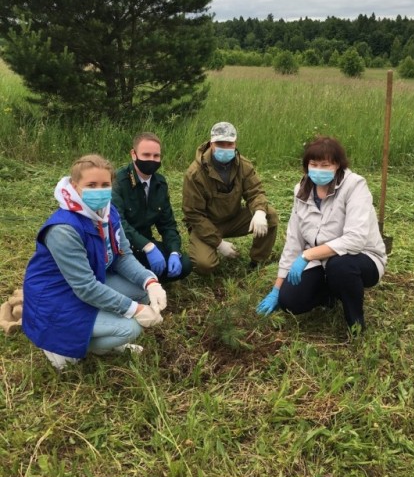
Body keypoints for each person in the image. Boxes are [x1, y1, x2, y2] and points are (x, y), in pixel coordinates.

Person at [22, 154, 168, 371]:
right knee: (130, 328)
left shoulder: (109, 212)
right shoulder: (64, 229)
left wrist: (150, 282)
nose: (99, 191)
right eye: (91, 185)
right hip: (57, 298)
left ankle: (98, 339)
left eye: (104, 185)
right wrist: (135, 309)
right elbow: (85, 287)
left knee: (143, 291)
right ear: (74, 186)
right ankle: (66, 347)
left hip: (90, 282)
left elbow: (123, 256)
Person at [257, 136, 387, 332]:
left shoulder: (354, 186)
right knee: (290, 300)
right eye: (314, 164)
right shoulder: (302, 190)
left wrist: (307, 255)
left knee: (340, 266)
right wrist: (277, 288)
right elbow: (294, 240)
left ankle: (355, 324)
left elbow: (355, 240)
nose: (319, 169)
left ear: (337, 165)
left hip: (361, 257)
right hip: (320, 260)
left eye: (325, 165)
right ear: (306, 166)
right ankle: (329, 295)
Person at [182, 121, 278, 274]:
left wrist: (259, 211)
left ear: (235, 144)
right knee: (204, 264)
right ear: (211, 144)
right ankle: (208, 247)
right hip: (206, 224)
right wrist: (219, 244)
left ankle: (257, 262)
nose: (225, 148)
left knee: (269, 215)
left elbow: (255, 192)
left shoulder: (243, 165)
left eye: (229, 144)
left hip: (233, 219)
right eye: (220, 144)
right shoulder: (195, 173)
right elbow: (193, 214)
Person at [112, 132, 192, 282]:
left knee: (185, 264)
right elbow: (118, 223)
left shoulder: (159, 183)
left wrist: (174, 252)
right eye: (146, 155)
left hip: (146, 248)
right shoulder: (118, 182)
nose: (152, 160)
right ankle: (137, 280)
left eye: (156, 156)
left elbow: (167, 224)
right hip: (121, 249)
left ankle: (145, 279)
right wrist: (147, 246)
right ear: (133, 154)